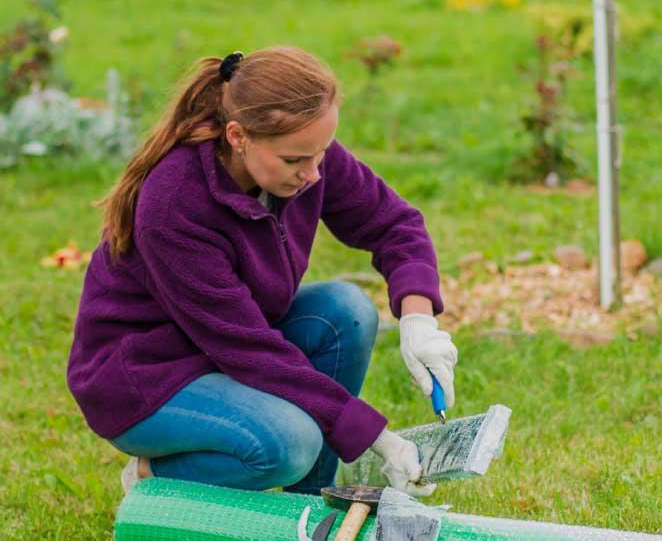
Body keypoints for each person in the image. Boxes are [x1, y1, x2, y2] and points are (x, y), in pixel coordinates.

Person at [66, 47, 458, 498]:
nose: (313, 174)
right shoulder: (174, 206)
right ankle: (152, 477)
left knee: (346, 310)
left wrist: (418, 319)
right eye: (295, 161)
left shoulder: (302, 151)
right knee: (289, 443)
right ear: (237, 136)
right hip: (147, 376)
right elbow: (248, 349)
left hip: (226, 344)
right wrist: (377, 438)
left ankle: (313, 501)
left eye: (321, 154)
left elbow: (393, 223)